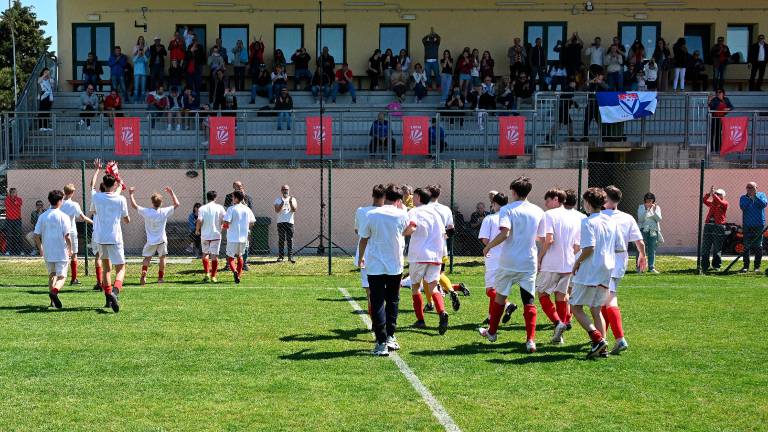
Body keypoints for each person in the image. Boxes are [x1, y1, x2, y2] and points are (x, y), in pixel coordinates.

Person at [478, 176, 544, 353]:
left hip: (509, 261)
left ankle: (492, 332)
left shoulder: (507, 209)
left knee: (500, 296)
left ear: (513, 192)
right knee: (528, 300)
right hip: (528, 260)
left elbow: (505, 234)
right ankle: (530, 340)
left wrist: (489, 246)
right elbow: (541, 238)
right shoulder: (538, 211)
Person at [570, 187, 625, 358]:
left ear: (587, 203)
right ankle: (604, 348)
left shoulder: (587, 222)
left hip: (589, 270)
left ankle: (598, 339)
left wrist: (577, 262)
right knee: (595, 309)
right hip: (607, 270)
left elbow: (589, 248)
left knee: (576, 307)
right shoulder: (611, 222)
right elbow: (619, 247)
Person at [357, 184, 410, 356]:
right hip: (395, 264)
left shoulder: (371, 214)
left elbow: (363, 238)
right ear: (399, 200)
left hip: (375, 266)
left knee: (378, 301)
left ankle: (381, 342)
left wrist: (360, 258)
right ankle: (391, 337)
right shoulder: (402, 213)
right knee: (393, 300)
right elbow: (407, 231)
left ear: (385, 196)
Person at [601, 186, 648, 355]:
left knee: (610, 300)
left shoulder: (599, 217)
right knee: (603, 300)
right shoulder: (627, 218)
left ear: (605, 198)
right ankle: (601, 337)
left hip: (604, 263)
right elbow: (639, 242)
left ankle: (620, 338)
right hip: (620, 263)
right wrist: (643, 256)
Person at [536, 188, 585, 344]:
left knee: (542, 293)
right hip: (569, 263)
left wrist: (539, 257)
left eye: (548, 200)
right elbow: (578, 245)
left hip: (551, 263)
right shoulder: (574, 217)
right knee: (562, 295)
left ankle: (558, 323)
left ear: (556, 199)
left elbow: (548, 240)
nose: (546, 203)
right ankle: (559, 335)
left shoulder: (549, 215)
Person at [90, 159, 130, 313]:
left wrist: (97, 170)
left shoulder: (97, 197)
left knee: (106, 268)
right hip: (115, 237)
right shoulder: (121, 199)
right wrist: (117, 173)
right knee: (121, 267)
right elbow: (126, 219)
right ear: (114, 185)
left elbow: (92, 186)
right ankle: (115, 292)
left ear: (103, 184)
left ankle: (108, 298)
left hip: (101, 237)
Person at [407, 187, 449, 334]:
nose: (412, 198)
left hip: (418, 255)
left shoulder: (414, 211)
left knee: (415, 287)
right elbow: (445, 234)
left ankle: (420, 320)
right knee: (433, 287)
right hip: (436, 255)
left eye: (414, 196)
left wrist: (400, 234)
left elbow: (411, 228)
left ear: (418, 197)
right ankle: (442, 312)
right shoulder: (436, 213)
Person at [479, 193, 517, 325]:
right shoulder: (511, 217)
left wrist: (490, 246)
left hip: (493, 257)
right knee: (497, 288)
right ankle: (491, 317)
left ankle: (507, 305)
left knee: (490, 290)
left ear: (494, 204)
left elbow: (485, 239)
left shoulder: (489, 218)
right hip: (510, 256)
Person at [128, 186, 180, 286]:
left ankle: (144, 273)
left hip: (151, 241)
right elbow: (177, 204)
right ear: (161, 203)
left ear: (152, 202)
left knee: (147, 258)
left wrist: (131, 194)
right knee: (162, 258)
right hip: (162, 240)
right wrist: (171, 192)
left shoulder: (147, 212)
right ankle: (160, 278)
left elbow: (134, 206)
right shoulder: (164, 211)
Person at [33, 190, 72, 309]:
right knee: (62, 277)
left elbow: (36, 235)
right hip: (61, 251)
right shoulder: (64, 216)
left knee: (52, 275)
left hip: (48, 251)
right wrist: (70, 249)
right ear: (60, 201)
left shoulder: (42, 216)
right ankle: (54, 292)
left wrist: (41, 249)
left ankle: (52, 301)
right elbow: (67, 236)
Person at [355, 185, 386, 316]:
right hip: (384, 254)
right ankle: (382, 320)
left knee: (370, 292)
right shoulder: (390, 212)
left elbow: (358, 231)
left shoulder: (361, 211)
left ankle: (375, 320)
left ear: (372, 195)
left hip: (366, 254)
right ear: (384, 197)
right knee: (384, 291)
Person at [61, 184, 93, 286]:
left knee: (62, 255)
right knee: (74, 254)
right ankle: (74, 278)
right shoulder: (74, 204)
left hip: (60, 231)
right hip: (70, 231)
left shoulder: (58, 203)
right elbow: (82, 217)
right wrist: (94, 223)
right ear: (72, 193)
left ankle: (60, 276)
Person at [223, 191, 256, 284]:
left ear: (237, 198)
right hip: (243, 238)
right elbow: (252, 222)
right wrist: (246, 228)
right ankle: (239, 275)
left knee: (230, 257)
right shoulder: (247, 209)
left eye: (233, 197)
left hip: (232, 238)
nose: (232, 199)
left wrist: (224, 226)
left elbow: (227, 222)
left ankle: (234, 271)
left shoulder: (231, 209)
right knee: (240, 256)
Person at [195, 192, 225, 283]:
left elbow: (199, 220)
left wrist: (197, 230)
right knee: (214, 256)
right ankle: (213, 276)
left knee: (205, 254)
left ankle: (207, 273)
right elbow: (224, 219)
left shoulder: (202, 208)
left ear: (207, 198)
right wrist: (222, 226)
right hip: (216, 234)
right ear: (215, 197)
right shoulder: (220, 207)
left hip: (205, 235)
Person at [740, 182, 767, 273]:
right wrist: (750, 198)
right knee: (746, 246)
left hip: (759, 224)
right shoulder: (743, 198)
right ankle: (745, 266)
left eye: (752, 187)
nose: (750, 189)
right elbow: (743, 207)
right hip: (747, 225)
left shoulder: (761, 195)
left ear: (756, 188)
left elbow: (763, 204)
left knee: (758, 246)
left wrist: (755, 196)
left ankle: (757, 267)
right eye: (748, 187)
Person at [701, 187, 729, 272]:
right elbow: (704, 200)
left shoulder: (724, 203)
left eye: (718, 194)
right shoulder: (713, 203)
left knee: (717, 247)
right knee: (706, 246)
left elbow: (719, 202)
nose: (716, 195)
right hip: (709, 226)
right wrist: (709, 194)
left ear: (723, 196)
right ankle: (704, 266)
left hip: (719, 226)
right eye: (716, 193)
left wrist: (713, 195)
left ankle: (716, 265)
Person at [637, 192, 663, 274]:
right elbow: (640, 219)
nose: (649, 203)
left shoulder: (657, 208)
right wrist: (645, 209)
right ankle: (639, 268)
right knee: (641, 249)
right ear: (645, 201)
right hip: (643, 229)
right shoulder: (641, 207)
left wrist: (654, 211)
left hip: (653, 230)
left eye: (651, 201)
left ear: (653, 201)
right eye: (647, 201)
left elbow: (658, 219)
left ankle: (651, 267)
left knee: (652, 249)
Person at [274, 185, 297, 263]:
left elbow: (294, 210)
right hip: (280, 222)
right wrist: (282, 203)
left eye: (286, 189)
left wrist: (290, 202)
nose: (285, 191)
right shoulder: (277, 200)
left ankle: (290, 256)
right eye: (283, 189)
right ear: (281, 191)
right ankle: (281, 256)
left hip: (290, 222)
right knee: (281, 240)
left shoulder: (293, 199)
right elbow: (277, 210)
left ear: (289, 190)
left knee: (290, 239)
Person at [4, 188, 22, 255]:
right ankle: (8, 251)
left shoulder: (19, 199)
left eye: (15, 192)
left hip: (17, 219)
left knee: (18, 235)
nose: (15, 193)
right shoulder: (7, 199)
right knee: (9, 235)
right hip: (9, 219)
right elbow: (8, 204)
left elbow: (18, 204)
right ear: (10, 193)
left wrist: (14, 198)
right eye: (13, 192)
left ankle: (19, 251)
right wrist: (10, 197)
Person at [37, 68, 54, 132]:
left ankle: (46, 126)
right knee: (42, 110)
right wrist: (44, 75)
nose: (47, 73)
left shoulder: (50, 79)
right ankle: (41, 126)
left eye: (48, 72)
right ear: (43, 72)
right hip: (44, 94)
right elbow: (38, 81)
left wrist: (49, 76)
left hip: (49, 95)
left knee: (47, 111)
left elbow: (52, 85)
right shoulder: (41, 78)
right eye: (45, 72)